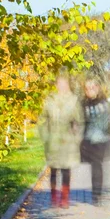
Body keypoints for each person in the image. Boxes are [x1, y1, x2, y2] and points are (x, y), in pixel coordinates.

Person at [38, 73, 84, 209]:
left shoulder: (73, 101)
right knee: (53, 170)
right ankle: (54, 197)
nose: (62, 86)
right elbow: (42, 120)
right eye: (60, 83)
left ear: (68, 85)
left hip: (67, 142)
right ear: (56, 85)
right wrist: (45, 137)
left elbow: (80, 122)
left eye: (64, 83)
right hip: (52, 141)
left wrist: (76, 139)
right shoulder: (49, 100)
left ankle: (64, 198)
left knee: (65, 170)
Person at [81, 76, 110, 206]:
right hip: (88, 140)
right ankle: (96, 193)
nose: (90, 90)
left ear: (97, 88)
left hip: (100, 140)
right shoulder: (83, 104)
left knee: (96, 166)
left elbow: (108, 121)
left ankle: (96, 194)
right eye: (87, 88)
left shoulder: (104, 103)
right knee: (93, 166)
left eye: (92, 87)